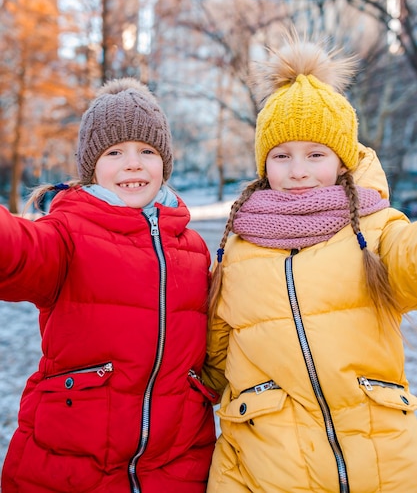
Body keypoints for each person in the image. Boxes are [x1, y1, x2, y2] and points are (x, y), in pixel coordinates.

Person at [202, 33, 417, 493]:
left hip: (380, 460)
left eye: (315, 154)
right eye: (281, 157)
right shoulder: (238, 248)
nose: (298, 170)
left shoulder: (376, 230)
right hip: (268, 465)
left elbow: (409, 262)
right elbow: (215, 356)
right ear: (264, 165)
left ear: (342, 162)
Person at [0, 78, 217, 493]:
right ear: (92, 167)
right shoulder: (66, 233)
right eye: (114, 152)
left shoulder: (191, 248)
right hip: (69, 463)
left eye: (147, 151)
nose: (132, 164)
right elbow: (20, 253)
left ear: (164, 163)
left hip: (175, 465)